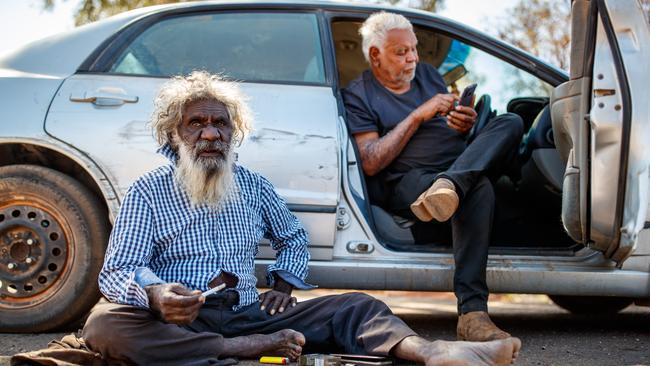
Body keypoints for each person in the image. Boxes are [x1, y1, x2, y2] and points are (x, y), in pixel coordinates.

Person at [81, 71, 521, 366]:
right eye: (196, 123)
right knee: (104, 324)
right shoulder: (148, 190)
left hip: (246, 314)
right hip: (178, 321)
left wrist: (283, 282)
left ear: (235, 134)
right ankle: (237, 350)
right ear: (174, 135)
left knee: (356, 305)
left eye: (221, 124)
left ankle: (433, 352)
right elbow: (117, 271)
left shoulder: (252, 186)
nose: (211, 133)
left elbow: (292, 237)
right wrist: (156, 294)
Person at [342, 12, 524, 342]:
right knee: (478, 187)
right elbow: (370, 162)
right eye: (401, 52)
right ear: (375, 55)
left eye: (414, 49)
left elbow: (448, 129)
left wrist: (462, 123)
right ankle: (473, 312)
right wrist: (418, 114)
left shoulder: (427, 75)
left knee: (511, 121)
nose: (412, 58)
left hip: (452, 169)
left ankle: (453, 183)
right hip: (407, 182)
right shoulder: (359, 94)